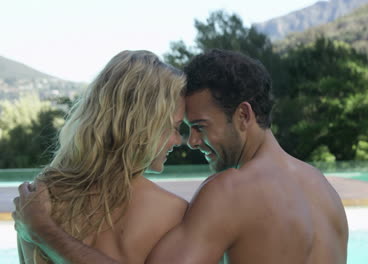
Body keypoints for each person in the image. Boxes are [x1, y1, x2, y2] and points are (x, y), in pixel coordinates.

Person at [14, 49, 349, 264]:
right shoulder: (325, 192)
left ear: (244, 115)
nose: (190, 141)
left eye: (198, 126)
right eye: (181, 127)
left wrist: (45, 231)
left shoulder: (40, 199)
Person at [14, 50, 188, 263]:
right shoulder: (171, 211)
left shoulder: (39, 200)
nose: (178, 140)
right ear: (146, 126)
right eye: (175, 127)